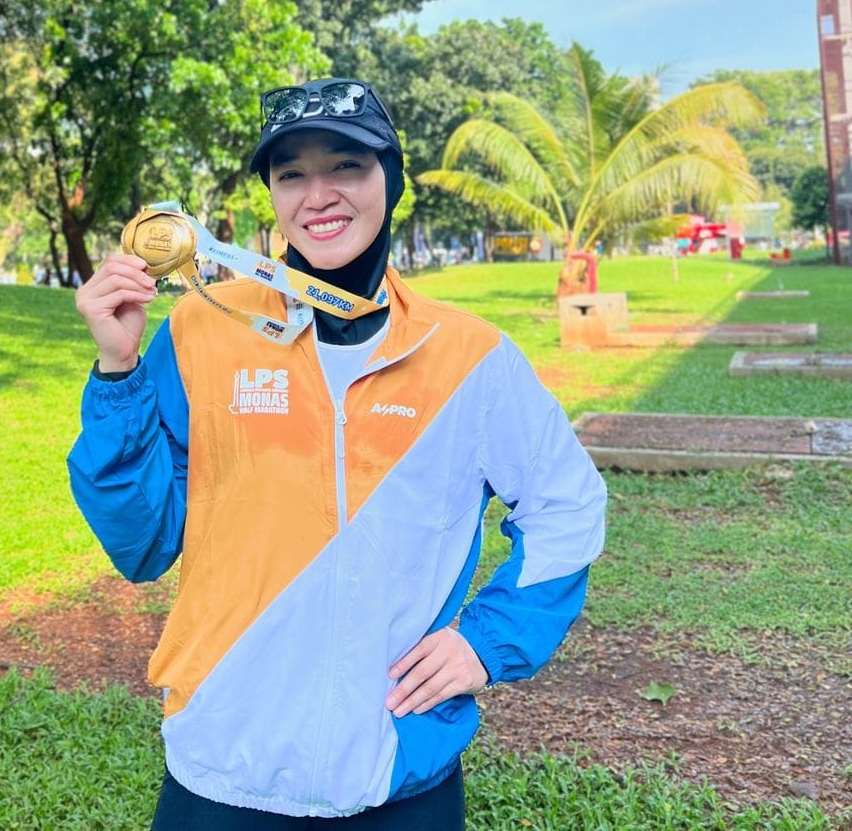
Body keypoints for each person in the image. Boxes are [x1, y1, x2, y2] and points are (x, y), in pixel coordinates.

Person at [69, 79, 607, 827]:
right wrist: (118, 368)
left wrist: (488, 642)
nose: (318, 195)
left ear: (392, 178)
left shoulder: (469, 355)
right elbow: (143, 543)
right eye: (292, 173)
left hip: (396, 772)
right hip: (223, 766)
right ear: (272, 194)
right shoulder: (203, 328)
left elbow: (567, 505)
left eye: (347, 165)